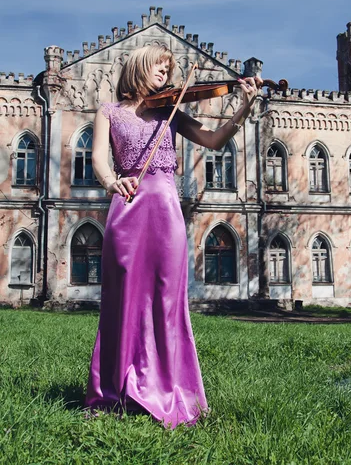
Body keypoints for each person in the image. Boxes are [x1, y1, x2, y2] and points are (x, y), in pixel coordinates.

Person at [84, 45, 260, 429]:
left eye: (168, 70)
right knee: (122, 299)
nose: (164, 76)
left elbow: (213, 141)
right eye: (158, 68)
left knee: (167, 299)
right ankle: (114, 388)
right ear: (138, 68)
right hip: (127, 204)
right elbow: (99, 158)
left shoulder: (171, 112)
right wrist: (113, 181)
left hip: (166, 209)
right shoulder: (108, 112)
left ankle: (168, 387)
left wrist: (243, 107)